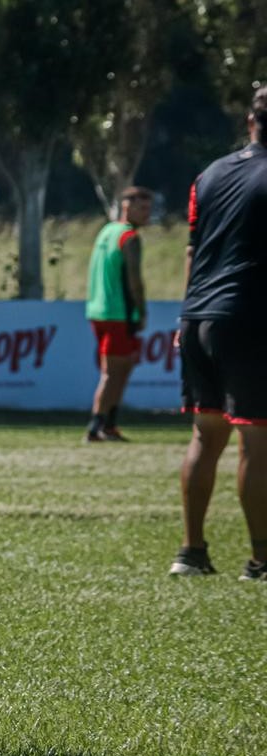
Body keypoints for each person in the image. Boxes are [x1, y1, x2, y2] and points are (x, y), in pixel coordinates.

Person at [169, 86, 267, 582]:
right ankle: (261, 560)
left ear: (250, 122)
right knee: (257, 443)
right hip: (249, 318)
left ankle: (191, 552)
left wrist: (185, 315)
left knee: (207, 437)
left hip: (198, 318)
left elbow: (193, 251)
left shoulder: (208, 175)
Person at [84, 187, 153, 443]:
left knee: (122, 368)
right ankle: (96, 426)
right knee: (113, 371)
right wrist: (142, 310)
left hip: (98, 309)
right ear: (127, 206)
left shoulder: (107, 231)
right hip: (118, 313)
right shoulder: (129, 237)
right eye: (142, 208)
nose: (148, 214)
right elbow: (134, 280)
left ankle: (109, 424)